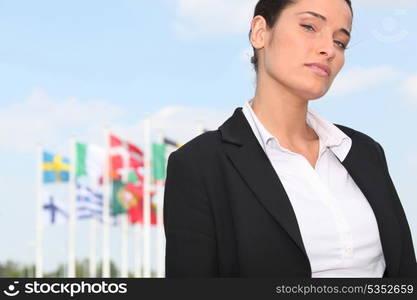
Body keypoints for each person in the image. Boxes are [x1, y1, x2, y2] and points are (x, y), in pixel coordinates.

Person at [163, 0, 417, 277]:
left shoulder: (365, 152)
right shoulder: (199, 165)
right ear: (260, 32)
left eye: (340, 42)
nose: (328, 49)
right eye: (309, 26)